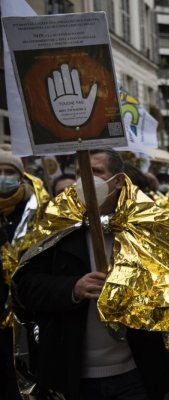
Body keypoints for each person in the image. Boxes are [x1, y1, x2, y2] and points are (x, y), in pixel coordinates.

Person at [11, 149, 169, 399]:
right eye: (78, 173)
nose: (84, 180)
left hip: (136, 374)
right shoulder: (57, 225)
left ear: (118, 180)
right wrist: (73, 288)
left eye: (95, 172)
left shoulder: (148, 227)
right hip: (72, 376)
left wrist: (132, 290)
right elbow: (27, 288)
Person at [0, 147, 49, 400]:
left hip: (26, 312)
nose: (3, 177)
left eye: (9, 171)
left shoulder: (36, 211)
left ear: (21, 176)